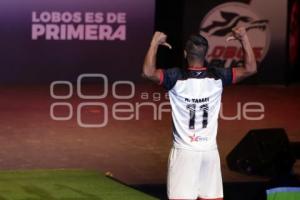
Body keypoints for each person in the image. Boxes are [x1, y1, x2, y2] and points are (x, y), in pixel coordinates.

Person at [142, 27, 257, 200]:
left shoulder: (175, 77)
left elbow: (147, 73)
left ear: (184, 53)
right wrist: (243, 38)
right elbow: (250, 69)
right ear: (205, 55)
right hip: (209, 153)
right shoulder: (218, 76)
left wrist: (154, 43)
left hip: (184, 154)